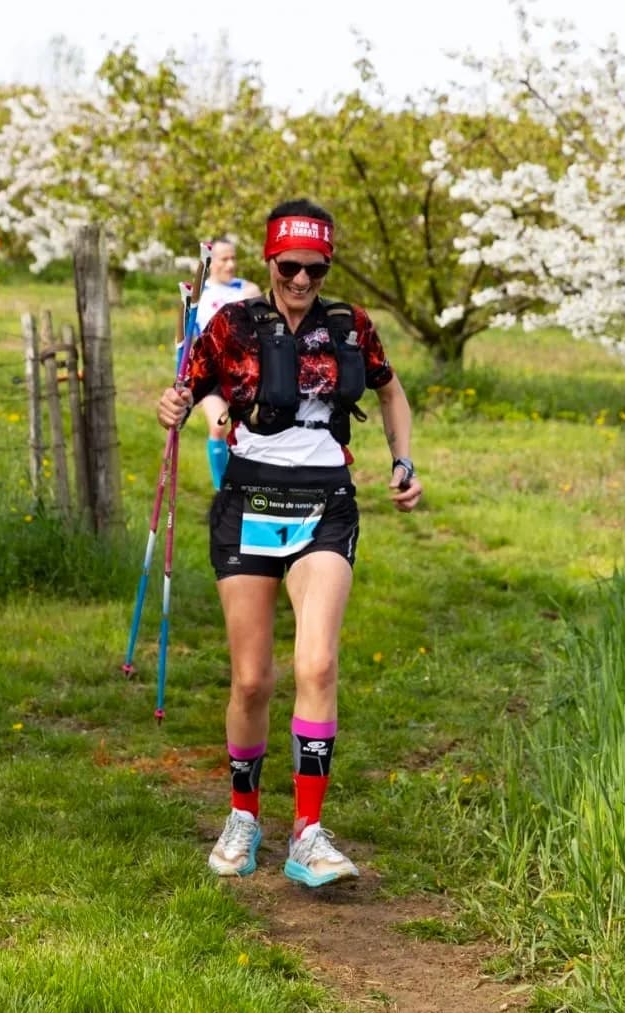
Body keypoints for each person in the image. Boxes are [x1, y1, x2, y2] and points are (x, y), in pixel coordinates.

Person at [156, 198, 423, 888]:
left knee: (318, 664)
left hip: (325, 504)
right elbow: (187, 389)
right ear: (269, 260)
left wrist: (403, 460)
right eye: (289, 267)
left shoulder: (351, 326)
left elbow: (392, 394)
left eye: (313, 268)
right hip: (247, 499)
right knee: (252, 678)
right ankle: (243, 817)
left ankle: (307, 832)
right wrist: (176, 405)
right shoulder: (232, 324)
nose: (301, 281)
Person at [193, 238, 262, 489]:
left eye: (234, 258)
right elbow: (188, 338)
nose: (231, 264)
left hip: (243, 374)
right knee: (218, 426)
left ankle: (246, 485)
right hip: (211, 374)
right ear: (211, 263)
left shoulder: (249, 291)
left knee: (245, 432)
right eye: (224, 259)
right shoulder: (198, 295)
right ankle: (222, 490)